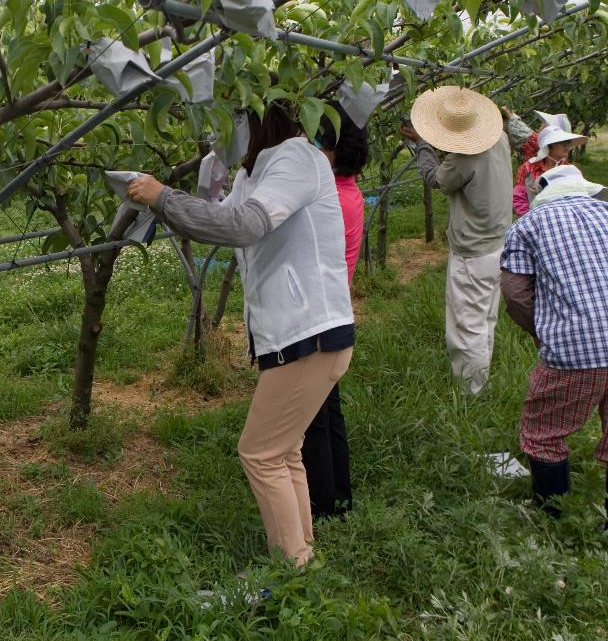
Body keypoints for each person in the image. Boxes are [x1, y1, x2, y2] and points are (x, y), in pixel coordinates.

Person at [127, 101, 354, 568]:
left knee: (260, 453)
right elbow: (218, 220)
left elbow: (244, 225)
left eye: (225, 124)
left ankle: (291, 569)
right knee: (285, 450)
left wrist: (164, 196)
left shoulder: (294, 158)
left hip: (308, 333)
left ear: (255, 120)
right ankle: (302, 555)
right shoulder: (257, 172)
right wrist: (193, 194)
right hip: (293, 336)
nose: (218, 137)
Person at [500, 167, 608, 522]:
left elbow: (516, 295)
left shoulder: (527, 226)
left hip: (576, 347)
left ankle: (553, 517)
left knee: (543, 432)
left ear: (540, 192)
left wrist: (541, 330)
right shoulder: (605, 213)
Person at [400, 85, 511, 396]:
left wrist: (422, 144)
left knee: (467, 325)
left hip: (473, 252)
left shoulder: (464, 156)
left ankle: (471, 395)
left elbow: (435, 179)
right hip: (498, 243)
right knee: (485, 317)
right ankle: (481, 377)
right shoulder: (500, 139)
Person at [302, 106, 368, 519]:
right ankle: (339, 500)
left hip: (318, 316)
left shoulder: (332, 200)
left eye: (317, 142)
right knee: (327, 409)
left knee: (314, 419)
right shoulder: (347, 189)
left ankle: (323, 506)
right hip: (333, 311)